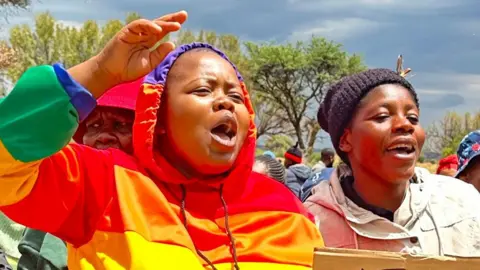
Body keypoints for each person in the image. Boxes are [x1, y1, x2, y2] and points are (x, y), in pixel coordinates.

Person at [0, 11, 322, 269]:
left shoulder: (289, 210)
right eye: (202, 90)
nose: (225, 102)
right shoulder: (105, 184)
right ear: (160, 119)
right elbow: (6, 163)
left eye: (236, 95)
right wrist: (99, 71)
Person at [305, 68, 480, 256]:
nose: (405, 125)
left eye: (413, 118)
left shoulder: (463, 202)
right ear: (346, 139)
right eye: (382, 116)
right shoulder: (311, 225)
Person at [17, 79, 139, 270]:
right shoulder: (55, 201)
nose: (103, 136)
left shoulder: (168, 205)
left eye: (120, 124)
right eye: (95, 126)